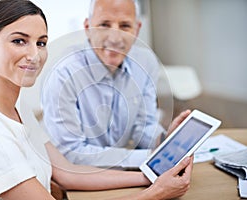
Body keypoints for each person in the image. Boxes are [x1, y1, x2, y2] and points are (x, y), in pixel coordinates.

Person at [0, 0, 193, 199]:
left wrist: (150, 177)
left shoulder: (17, 108)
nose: (34, 55)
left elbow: (68, 174)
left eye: (41, 43)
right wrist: (156, 193)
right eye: (19, 40)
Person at [41, 0, 190, 168]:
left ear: (137, 29)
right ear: (88, 28)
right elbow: (70, 153)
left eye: (125, 26)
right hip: (73, 176)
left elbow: (143, 126)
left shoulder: (146, 62)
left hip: (118, 171)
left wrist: (164, 140)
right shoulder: (63, 72)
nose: (115, 38)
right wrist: (147, 156)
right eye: (104, 25)